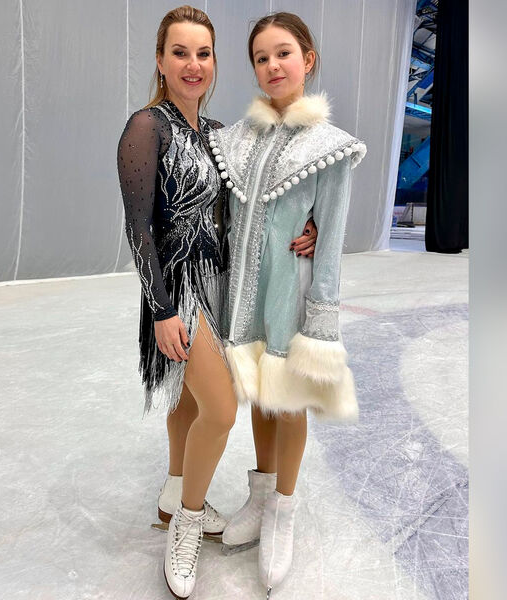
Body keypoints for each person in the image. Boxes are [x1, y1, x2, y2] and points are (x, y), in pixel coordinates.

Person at [116, 6, 317, 598]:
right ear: (160, 61)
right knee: (223, 410)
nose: (193, 64)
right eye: (180, 53)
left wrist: (306, 228)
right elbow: (138, 228)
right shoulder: (145, 126)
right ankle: (186, 521)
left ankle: (174, 490)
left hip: (221, 283)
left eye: (203, 53)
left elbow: (252, 207)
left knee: (190, 400)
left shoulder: (218, 132)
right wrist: (161, 310)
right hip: (177, 289)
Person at [207, 12, 367, 598]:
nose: (272, 66)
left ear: (308, 59)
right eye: (261, 57)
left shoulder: (330, 147)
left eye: (283, 53)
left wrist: (321, 318)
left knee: (289, 401)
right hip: (242, 294)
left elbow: (332, 239)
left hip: (290, 292)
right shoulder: (234, 140)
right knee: (258, 392)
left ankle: (284, 507)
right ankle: (259, 492)